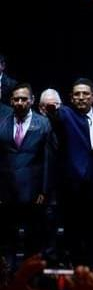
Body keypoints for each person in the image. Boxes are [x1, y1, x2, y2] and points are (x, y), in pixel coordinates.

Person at [44, 78, 93, 267]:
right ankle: (75, 285)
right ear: (70, 97)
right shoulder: (66, 115)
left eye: (85, 93)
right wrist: (53, 112)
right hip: (72, 191)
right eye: (76, 94)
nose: (81, 97)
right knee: (73, 240)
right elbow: (57, 119)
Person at [0, 83, 53, 266]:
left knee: (34, 242)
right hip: (7, 192)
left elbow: (48, 160)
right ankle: (8, 283)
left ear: (31, 100)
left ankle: (32, 282)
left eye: (24, 99)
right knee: (8, 242)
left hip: (33, 193)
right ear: (11, 101)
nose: (20, 102)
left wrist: (44, 192)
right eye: (16, 99)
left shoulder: (43, 123)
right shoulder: (2, 122)